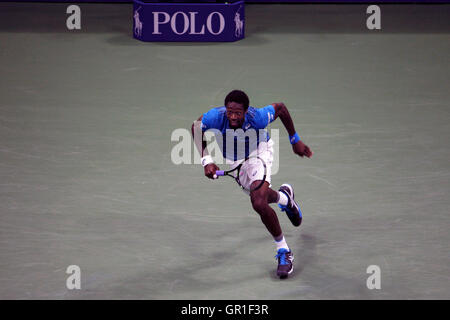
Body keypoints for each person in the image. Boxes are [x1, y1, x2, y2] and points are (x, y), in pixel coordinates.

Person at [191, 90, 313, 279]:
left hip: (259, 152)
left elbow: (280, 108)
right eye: (229, 112)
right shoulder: (216, 117)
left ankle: (284, 251)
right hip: (236, 160)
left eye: (237, 113)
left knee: (258, 202)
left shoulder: (258, 118)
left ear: (246, 112)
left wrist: (294, 140)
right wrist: (206, 160)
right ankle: (285, 198)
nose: (232, 116)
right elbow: (196, 126)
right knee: (262, 199)